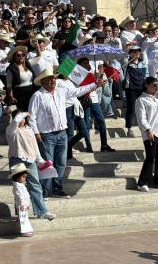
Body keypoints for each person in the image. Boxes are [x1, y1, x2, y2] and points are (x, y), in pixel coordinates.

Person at [28, 68, 103, 198]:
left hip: (62, 133)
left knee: (61, 163)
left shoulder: (61, 91)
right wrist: (35, 132)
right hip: (47, 134)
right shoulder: (37, 96)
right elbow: (31, 116)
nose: (53, 81)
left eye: (54, 78)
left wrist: (95, 83)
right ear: (43, 82)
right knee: (47, 163)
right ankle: (45, 191)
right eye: (50, 79)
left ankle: (57, 188)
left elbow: (78, 91)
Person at [6, 110, 54, 220]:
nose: (22, 120)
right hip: (17, 160)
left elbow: (34, 146)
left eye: (23, 118)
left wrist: (40, 159)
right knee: (19, 188)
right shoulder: (11, 129)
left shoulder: (29, 129)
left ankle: (42, 211)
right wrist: (24, 113)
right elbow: (16, 121)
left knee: (36, 186)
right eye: (19, 117)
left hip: (31, 160)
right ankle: (20, 214)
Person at [10, 163, 34, 238]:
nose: (25, 179)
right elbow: (20, 197)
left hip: (24, 204)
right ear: (17, 178)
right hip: (22, 205)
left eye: (25, 177)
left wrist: (27, 204)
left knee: (24, 217)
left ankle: (21, 223)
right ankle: (24, 231)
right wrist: (23, 205)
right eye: (23, 177)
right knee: (24, 218)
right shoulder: (17, 186)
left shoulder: (21, 185)